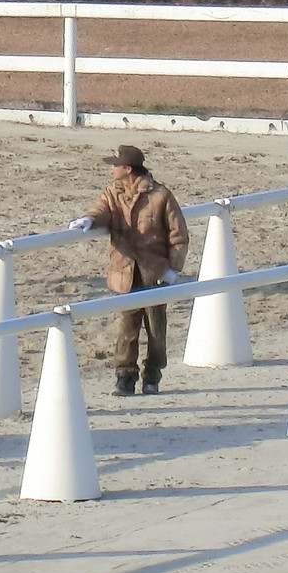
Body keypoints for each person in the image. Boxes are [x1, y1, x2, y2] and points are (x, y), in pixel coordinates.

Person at [68, 145, 189, 397]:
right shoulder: (112, 191)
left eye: (116, 165)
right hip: (124, 273)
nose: (112, 169)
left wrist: (172, 269)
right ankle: (125, 376)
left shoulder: (161, 196)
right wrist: (89, 220)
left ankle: (153, 375)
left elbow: (178, 235)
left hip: (154, 273)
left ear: (128, 169)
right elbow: (101, 209)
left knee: (156, 328)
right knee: (126, 327)